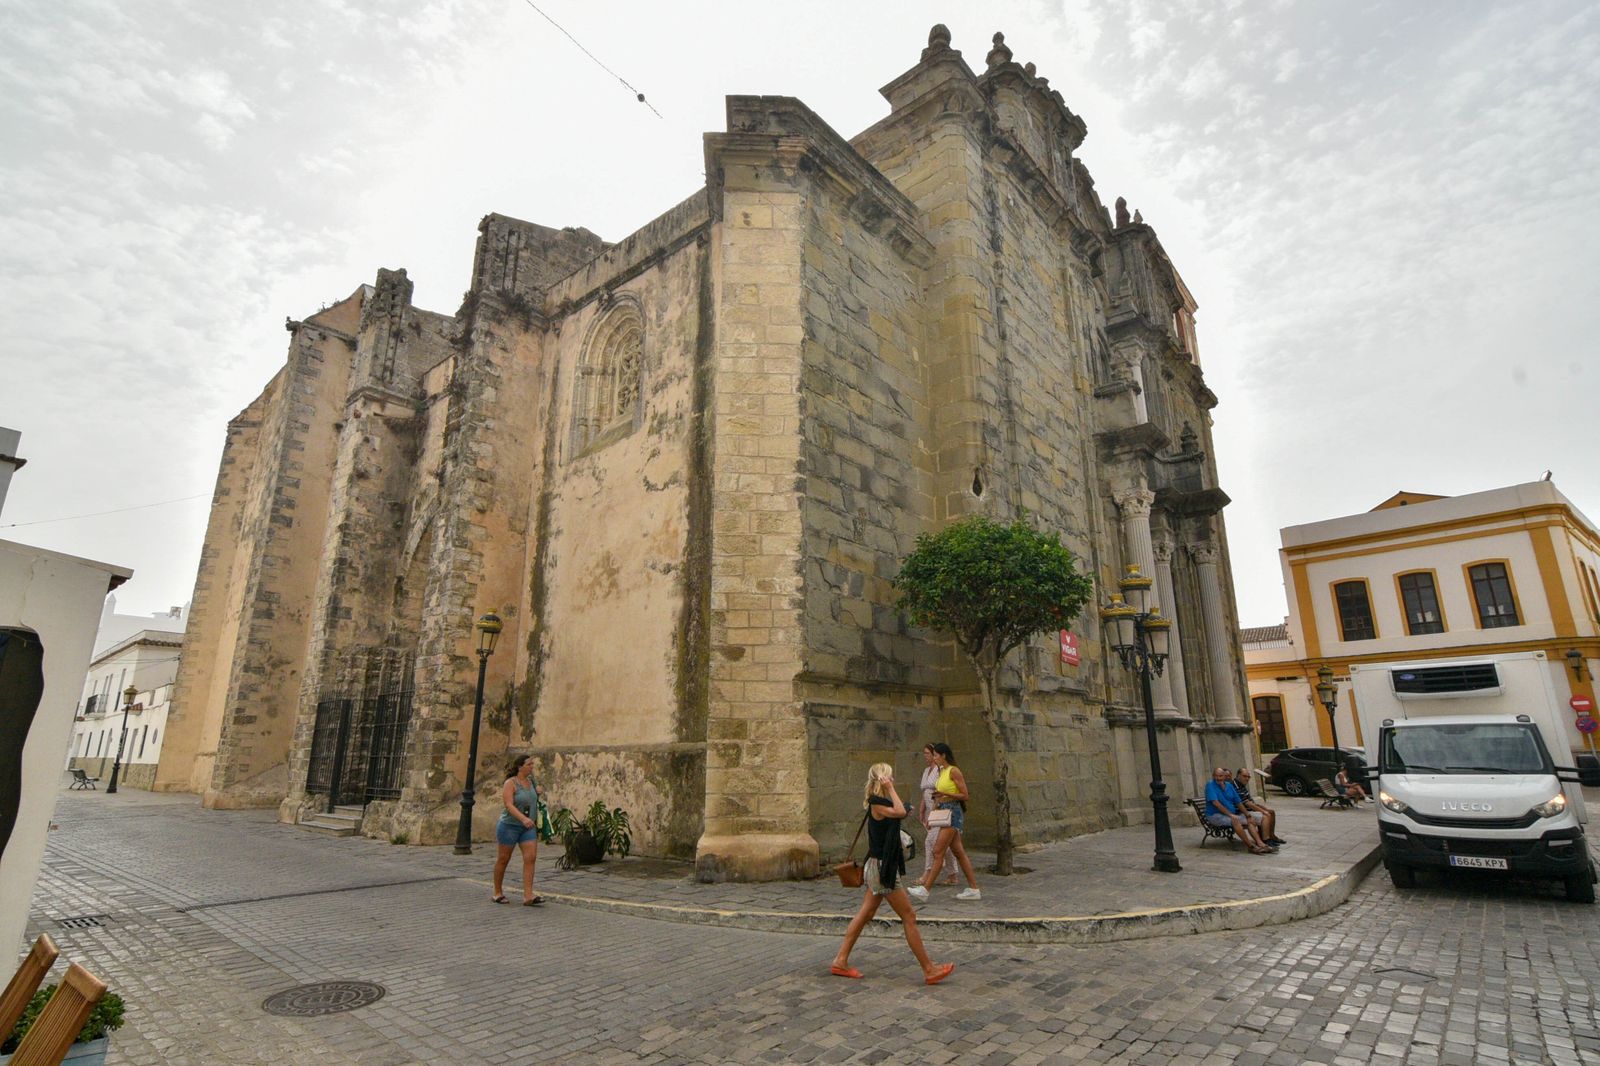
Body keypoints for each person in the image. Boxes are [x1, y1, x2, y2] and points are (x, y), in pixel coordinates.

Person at [830, 763, 955, 985]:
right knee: (909, 916)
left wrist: (901, 803)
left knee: (865, 914)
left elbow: (899, 811)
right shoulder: (878, 803)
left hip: (879, 867)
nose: (893, 779)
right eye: (889, 776)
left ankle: (840, 960)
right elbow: (898, 811)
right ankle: (929, 969)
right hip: (882, 869)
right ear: (882, 780)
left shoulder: (881, 802)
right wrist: (890, 789)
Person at [907, 743, 982, 902]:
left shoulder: (954, 771)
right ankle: (974, 888)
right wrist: (932, 812)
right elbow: (938, 796)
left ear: (943, 755)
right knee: (959, 853)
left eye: (935, 755)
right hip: (942, 811)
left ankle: (925, 889)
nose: (933, 758)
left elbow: (965, 795)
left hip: (953, 813)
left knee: (938, 850)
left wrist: (945, 794)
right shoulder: (942, 772)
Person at [493, 753, 545, 906]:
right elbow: (508, 805)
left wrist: (538, 792)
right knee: (503, 859)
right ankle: (497, 892)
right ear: (520, 766)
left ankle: (528, 895)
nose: (532, 767)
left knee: (531, 858)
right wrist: (523, 818)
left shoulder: (531, 782)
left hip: (527, 827)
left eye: (532, 764)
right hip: (510, 826)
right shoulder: (511, 783)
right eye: (529, 764)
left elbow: (532, 800)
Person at [1204, 767, 1275, 854]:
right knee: (1235, 820)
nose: (1218, 778)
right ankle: (1251, 847)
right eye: (1216, 776)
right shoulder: (1210, 785)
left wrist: (1247, 814)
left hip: (1230, 814)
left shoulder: (1229, 786)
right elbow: (1216, 804)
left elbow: (1238, 802)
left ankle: (1261, 844)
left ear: (1225, 776)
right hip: (1215, 815)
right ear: (1213, 776)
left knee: (1249, 820)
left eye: (1221, 776)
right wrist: (1231, 815)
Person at [918, 743, 959, 885]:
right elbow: (925, 792)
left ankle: (928, 873)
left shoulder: (942, 771)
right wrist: (922, 809)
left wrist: (936, 807)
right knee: (947, 845)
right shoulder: (925, 771)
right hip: (930, 809)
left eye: (929, 753)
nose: (926, 756)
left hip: (939, 811)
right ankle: (953, 874)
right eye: (925, 753)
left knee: (930, 841)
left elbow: (939, 791)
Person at [1231, 768, 1285, 846]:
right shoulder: (1235, 786)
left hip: (1250, 808)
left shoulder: (1242, 784)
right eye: (1244, 776)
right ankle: (1266, 839)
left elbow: (1251, 802)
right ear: (1238, 775)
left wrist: (1262, 808)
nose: (1247, 778)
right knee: (1265, 815)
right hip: (1243, 811)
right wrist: (1263, 811)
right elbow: (1247, 803)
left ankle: (1272, 836)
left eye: (1248, 777)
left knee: (1271, 812)